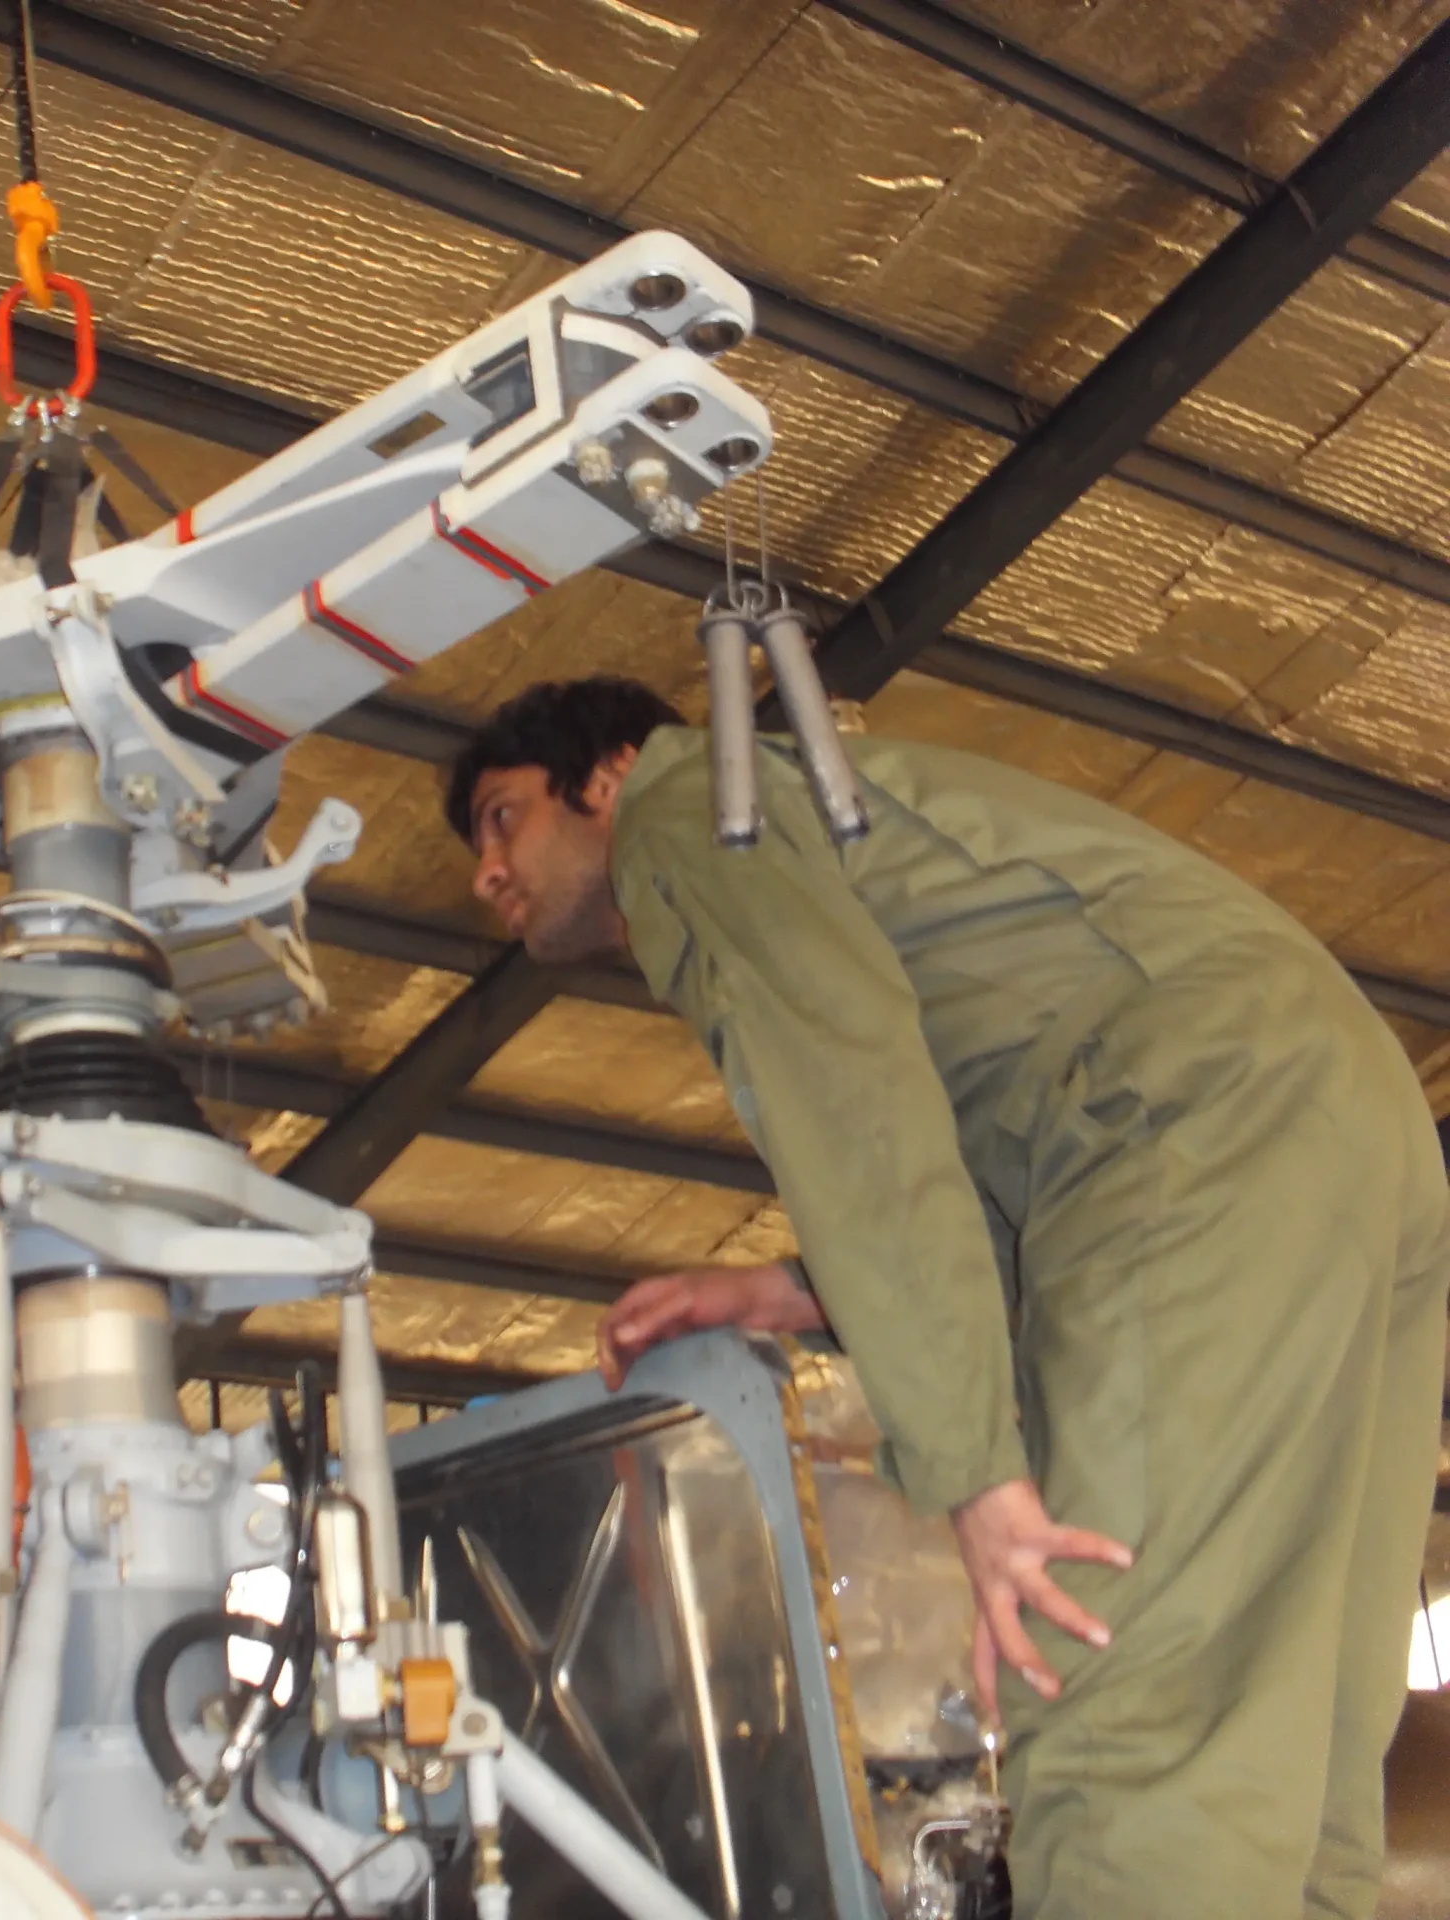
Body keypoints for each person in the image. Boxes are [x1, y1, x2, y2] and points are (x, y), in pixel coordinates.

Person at [446, 675, 1448, 1920]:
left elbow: (849, 1094)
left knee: (1120, 1705)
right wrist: (794, 1289)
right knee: (1300, 1742)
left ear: (606, 773)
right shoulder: (843, 832)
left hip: (1188, 1121)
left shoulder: (689, 808)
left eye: (501, 817)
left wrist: (979, 1481)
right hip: (1347, 1127)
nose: (486, 873)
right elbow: (984, 1126)